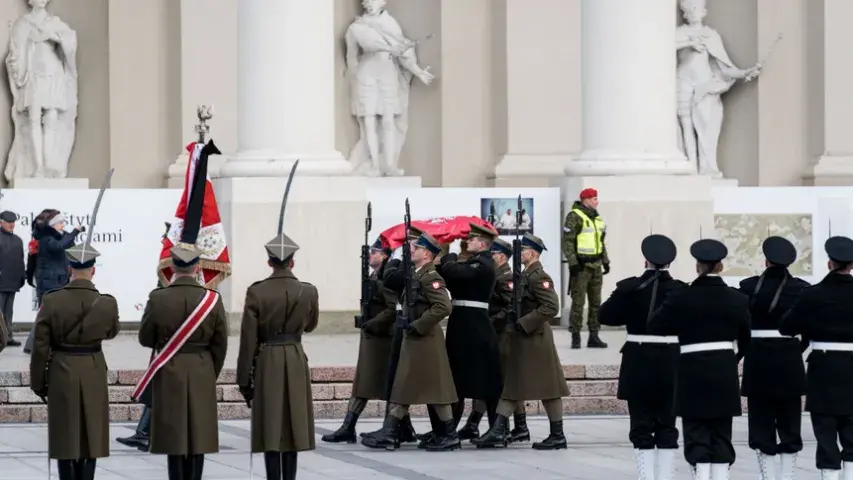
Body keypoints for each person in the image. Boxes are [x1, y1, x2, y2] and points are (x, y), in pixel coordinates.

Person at [137, 176, 229, 479]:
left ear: (173, 266)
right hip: (202, 368)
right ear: (198, 267)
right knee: (198, 437)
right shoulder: (211, 299)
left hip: (170, 368)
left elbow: (146, 337)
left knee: (174, 437)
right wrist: (208, 368)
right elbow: (220, 345)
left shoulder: (159, 297)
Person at [647, 238, 751, 480]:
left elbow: (655, 325)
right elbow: (747, 338)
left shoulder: (682, 297)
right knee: (722, 429)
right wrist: (734, 358)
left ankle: (701, 475)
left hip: (691, 367)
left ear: (698, 266)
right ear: (721, 267)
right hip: (724, 367)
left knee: (696, 430)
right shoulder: (737, 299)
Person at [29, 238, 120, 480]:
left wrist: (38, 383)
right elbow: (111, 333)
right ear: (93, 270)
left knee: (65, 436)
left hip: (62, 369)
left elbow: (40, 347)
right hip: (92, 368)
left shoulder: (51, 300)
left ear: (69, 269)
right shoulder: (107, 303)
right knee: (91, 434)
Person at [361, 232, 460, 452]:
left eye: (415, 248)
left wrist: (419, 324)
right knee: (411, 386)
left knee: (430, 388)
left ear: (426, 254)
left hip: (424, 340)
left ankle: (447, 434)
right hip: (415, 340)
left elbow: (444, 306)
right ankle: (395, 431)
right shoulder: (415, 275)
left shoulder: (430, 277)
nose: (411, 251)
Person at [599, 234, 686, 480]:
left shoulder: (629, 287)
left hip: (638, 359)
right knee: (667, 423)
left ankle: (646, 476)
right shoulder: (680, 290)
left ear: (645, 260)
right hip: (670, 360)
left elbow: (605, 316)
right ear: (670, 262)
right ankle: (665, 476)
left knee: (641, 422)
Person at [236, 229, 319, 480]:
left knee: (271, 425)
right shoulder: (308, 291)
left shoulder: (256, 291)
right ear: (292, 262)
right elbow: (311, 325)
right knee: (292, 424)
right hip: (294, 356)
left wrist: (243, 379)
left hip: (268, 358)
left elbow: (248, 339)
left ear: (269, 262)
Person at [474, 233, 569, 450]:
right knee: (515, 383)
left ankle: (557, 434)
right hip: (524, 338)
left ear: (533, 253)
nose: (520, 254)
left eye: (524, 250)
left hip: (535, 339)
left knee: (549, 388)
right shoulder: (524, 275)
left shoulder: (538, 276)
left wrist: (523, 322)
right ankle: (499, 430)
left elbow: (551, 307)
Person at [779, 236, 853, 479]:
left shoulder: (812, 294)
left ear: (829, 263)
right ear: (851, 265)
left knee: (825, 430)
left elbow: (787, 327)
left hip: (824, 367)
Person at [738, 236, 809, 480]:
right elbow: (807, 331)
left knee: (761, 422)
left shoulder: (748, 287)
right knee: (790, 423)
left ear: (765, 260)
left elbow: (741, 325)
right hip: (789, 357)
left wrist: (743, 350)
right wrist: (796, 348)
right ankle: (786, 476)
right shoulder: (801, 288)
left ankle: (767, 476)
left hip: (758, 358)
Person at [322, 238, 396, 443]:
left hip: (381, 341)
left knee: (384, 385)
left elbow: (393, 308)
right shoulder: (373, 277)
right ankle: (349, 426)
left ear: (385, 256)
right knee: (363, 384)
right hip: (373, 339)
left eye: (375, 252)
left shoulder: (385, 278)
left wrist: (372, 323)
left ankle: (392, 428)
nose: (371, 255)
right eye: (370, 252)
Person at [437, 223, 503, 439]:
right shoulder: (473, 262)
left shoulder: (483, 263)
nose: (468, 242)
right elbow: (448, 275)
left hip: (476, 328)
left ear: (482, 243)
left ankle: (497, 429)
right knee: (456, 379)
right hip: (462, 326)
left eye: (472, 239)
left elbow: (454, 272)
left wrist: (449, 253)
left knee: (485, 381)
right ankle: (448, 429)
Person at [117, 222, 171, 452]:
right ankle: (144, 432)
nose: (162, 242)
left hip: (169, 345)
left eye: (166, 238)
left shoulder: (167, 272)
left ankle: (146, 433)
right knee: (155, 389)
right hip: (171, 345)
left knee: (157, 389)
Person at [483, 237, 528, 442]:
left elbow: (511, 307)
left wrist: (492, 321)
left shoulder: (505, 277)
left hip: (504, 334)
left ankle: (510, 427)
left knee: (505, 381)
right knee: (503, 381)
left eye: (492, 254)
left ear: (501, 257)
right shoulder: (495, 275)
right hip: (497, 333)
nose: (489, 257)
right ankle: (520, 427)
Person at [23, 209, 84, 353]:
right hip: (47, 281)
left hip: (59, 279)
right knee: (44, 313)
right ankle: (32, 346)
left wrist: (73, 236)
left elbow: (67, 246)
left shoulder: (57, 237)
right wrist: (74, 232)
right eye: (60, 222)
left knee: (53, 314)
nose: (63, 225)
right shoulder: (45, 238)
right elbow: (57, 247)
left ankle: (48, 343)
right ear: (52, 225)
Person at [562, 188, 609, 349]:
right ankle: (576, 336)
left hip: (596, 265)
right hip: (581, 267)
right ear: (585, 200)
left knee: (596, 302)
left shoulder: (596, 218)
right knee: (578, 302)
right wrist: (573, 263)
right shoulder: (575, 216)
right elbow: (567, 242)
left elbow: (600, 242)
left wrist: (605, 261)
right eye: (594, 198)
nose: (597, 201)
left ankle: (593, 336)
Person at [0, 210, 25, 347]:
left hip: (12, 281)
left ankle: (8, 336)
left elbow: (20, 260)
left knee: (8, 311)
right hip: (1, 280)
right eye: (9, 222)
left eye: (13, 222)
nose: (12, 224)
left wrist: (22, 276)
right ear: (1, 222)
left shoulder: (17, 240)